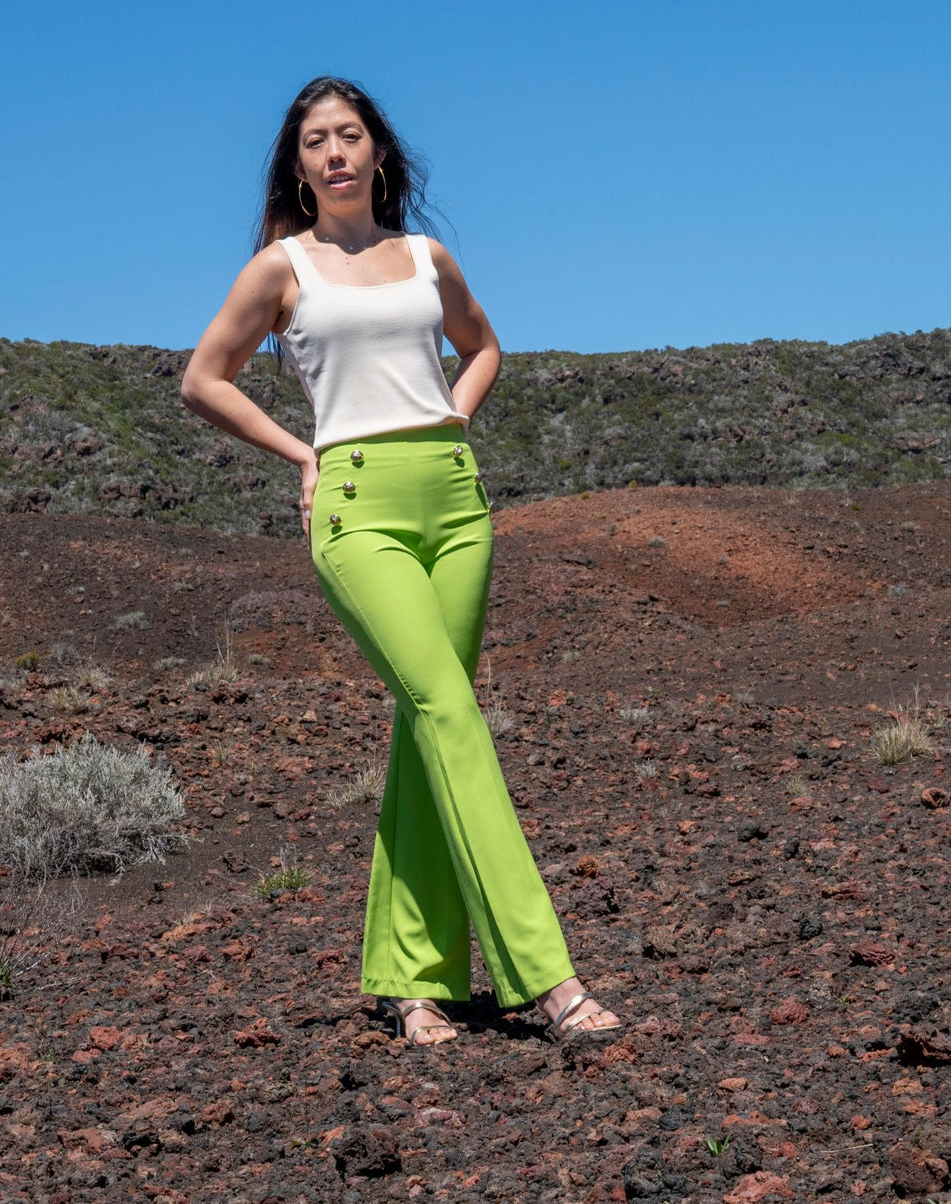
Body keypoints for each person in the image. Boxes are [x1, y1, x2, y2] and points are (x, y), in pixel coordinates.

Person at [180, 76, 621, 1046]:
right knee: (449, 710)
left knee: (430, 728)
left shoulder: (427, 256)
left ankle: (411, 981)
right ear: (297, 167)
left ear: (378, 151)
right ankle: (543, 978)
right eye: (313, 143)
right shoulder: (279, 267)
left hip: (455, 502)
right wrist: (303, 453)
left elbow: (483, 346)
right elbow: (201, 379)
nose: (333, 154)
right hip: (357, 505)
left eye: (348, 136)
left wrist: (452, 418)